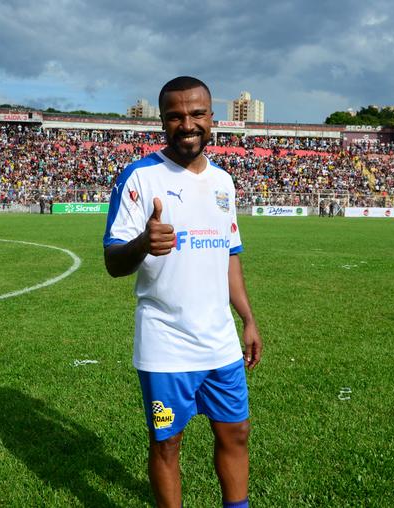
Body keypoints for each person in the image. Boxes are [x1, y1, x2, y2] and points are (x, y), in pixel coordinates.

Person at [103, 76, 263, 508]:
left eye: (196, 114)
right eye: (175, 116)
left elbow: (230, 253)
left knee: (237, 432)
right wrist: (142, 243)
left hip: (219, 339)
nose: (186, 124)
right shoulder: (139, 178)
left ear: (213, 119)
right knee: (167, 445)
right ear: (162, 121)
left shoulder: (223, 182)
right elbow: (113, 262)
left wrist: (246, 318)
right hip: (166, 343)